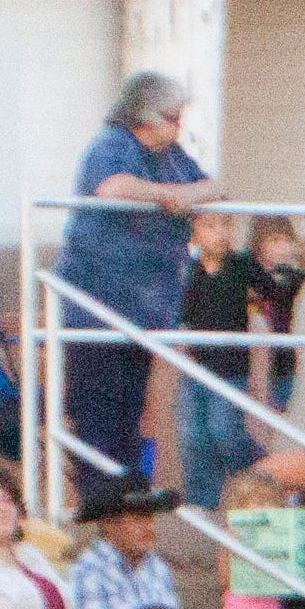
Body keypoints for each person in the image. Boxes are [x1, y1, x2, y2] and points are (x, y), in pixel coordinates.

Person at [55, 72, 216, 499]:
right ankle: (100, 501)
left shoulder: (173, 154)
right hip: (97, 308)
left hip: (145, 310)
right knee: (97, 412)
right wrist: (169, 195)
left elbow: (214, 186)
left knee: (130, 410)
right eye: (171, 117)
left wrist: (184, 194)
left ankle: (125, 496)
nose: (178, 126)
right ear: (144, 114)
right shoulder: (111, 144)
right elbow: (112, 188)